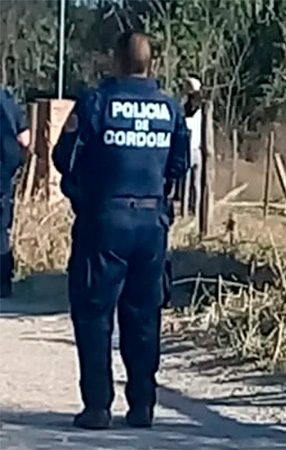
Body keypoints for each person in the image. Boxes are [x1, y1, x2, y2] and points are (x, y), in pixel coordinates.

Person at [53, 31, 189, 430]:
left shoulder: (96, 103)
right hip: (151, 224)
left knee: (95, 313)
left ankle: (97, 407)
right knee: (143, 315)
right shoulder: (170, 108)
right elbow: (178, 165)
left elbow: (64, 156)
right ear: (152, 65)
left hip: (104, 222)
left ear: (116, 61)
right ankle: (142, 405)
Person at [0, 88, 30, 298]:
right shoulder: (8, 101)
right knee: (1, 229)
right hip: (3, 174)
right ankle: (2, 282)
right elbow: (25, 139)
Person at [182, 77, 202, 215]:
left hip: (190, 148)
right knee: (196, 183)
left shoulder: (188, 107)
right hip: (197, 148)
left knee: (187, 182)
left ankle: (187, 208)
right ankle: (196, 207)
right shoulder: (201, 107)